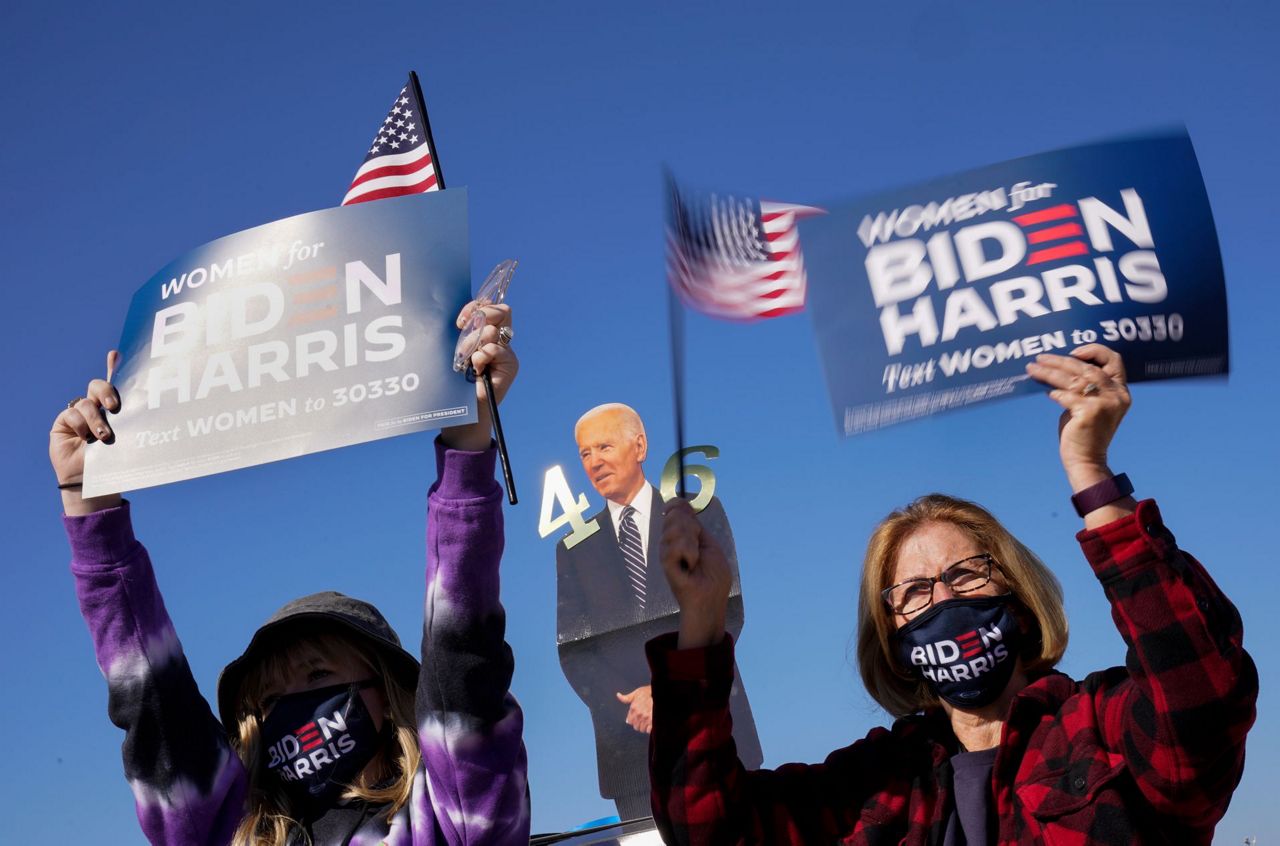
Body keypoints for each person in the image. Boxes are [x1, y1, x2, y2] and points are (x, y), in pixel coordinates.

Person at [648, 345, 1257, 845]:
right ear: (891, 635)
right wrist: (702, 617)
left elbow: (1201, 703)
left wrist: (1092, 476)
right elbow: (710, 831)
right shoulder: (880, 781)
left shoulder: (1098, 726)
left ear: (1016, 594)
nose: (942, 598)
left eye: (966, 574)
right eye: (913, 591)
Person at [52, 303, 530, 846]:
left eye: (319, 677)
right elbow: (149, 698)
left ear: (391, 692)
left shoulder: (450, 817)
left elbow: (461, 648)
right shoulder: (226, 832)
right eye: (270, 698)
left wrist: (467, 449)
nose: (294, 706)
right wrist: (88, 503)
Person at [555, 403, 762, 821]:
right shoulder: (572, 550)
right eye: (585, 454)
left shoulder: (698, 514)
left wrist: (665, 691)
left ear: (640, 445)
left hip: (717, 732)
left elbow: (727, 609)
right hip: (632, 759)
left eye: (604, 447)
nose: (594, 463)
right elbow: (576, 653)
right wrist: (633, 708)